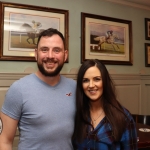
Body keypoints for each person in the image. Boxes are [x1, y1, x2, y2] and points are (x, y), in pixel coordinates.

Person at [0, 28, 76, 150]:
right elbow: (4, 140)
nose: (50, 56)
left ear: (65, 55)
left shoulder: (75, 88)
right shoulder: (18, 90)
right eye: (44, 50)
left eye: (56, 50)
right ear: (36, 54)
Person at [72, 59, 138, 149]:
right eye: (85, 80)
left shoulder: (124, 118)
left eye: (97, 79)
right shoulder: (76, 115)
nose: (91, 85)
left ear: (105, 81)